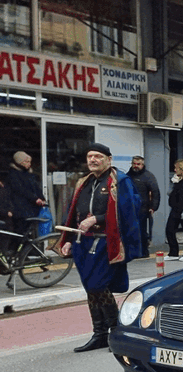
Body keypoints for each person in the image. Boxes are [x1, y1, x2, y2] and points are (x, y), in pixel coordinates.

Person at [57, 143, 141, 353]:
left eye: (97, 156)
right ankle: (99, 334)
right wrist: (67, 238)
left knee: (98, 285)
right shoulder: (83, 182)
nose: (92, 160)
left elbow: (129, 211)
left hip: (106, 242)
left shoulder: (120, 181)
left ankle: (114, 331)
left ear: (108, 159)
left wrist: (97, 218)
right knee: (91, 290)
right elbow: (72, 212)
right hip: (82, 242)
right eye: (89, 157)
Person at [126, 156, 160, 256]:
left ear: (142, 165)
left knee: (142, 232)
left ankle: (144, 252)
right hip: (130, 208)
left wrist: (153, 207)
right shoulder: (128, 176)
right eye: (134, 164)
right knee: (130, 231)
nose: (136, 166)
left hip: (143, 208)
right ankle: (133, 252)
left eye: (138, 164)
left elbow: (155, 192)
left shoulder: (148, 176)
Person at [7, 151, 47, 236]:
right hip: (21, 210)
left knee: (26, 233)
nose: (29, 164)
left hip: (31, 209)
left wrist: (42, 198)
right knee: (20, 232)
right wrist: (35, 199)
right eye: (26, 162)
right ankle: (15, 248)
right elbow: (21, 190)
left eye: (29, 162)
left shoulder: (28, 174)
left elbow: (36, 188)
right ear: (19, 162)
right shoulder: (13, 175)